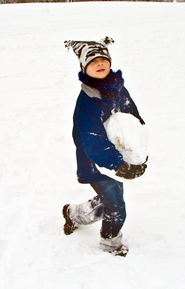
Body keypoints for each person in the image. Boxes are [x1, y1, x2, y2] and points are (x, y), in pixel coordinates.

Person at [63, 36, 147, 257]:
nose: (99, 64)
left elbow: (132, 119)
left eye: (103, 59)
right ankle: (111, 243)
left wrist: (139, 154)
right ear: (84, 68)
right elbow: (93, 140)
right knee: (117, 207)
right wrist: (119, 165)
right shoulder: (87, 103)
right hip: (96, 163)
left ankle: (74, 214)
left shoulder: (118, 90)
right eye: (92, 61)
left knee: (111, 199)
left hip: (115, 159)